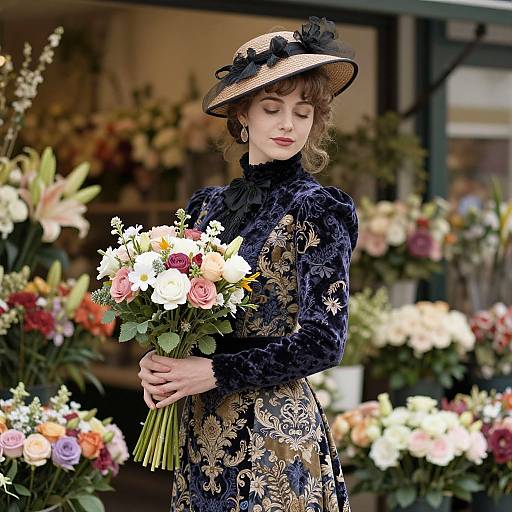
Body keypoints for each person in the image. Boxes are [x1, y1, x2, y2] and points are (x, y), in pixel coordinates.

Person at [138, 16, 359, 511]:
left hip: (274, 433)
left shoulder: (319, 208)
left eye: (303, 113)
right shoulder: (204, 207)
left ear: (316, 122)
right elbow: (173, 312)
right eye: (272, 108)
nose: (287, 124)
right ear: (242, 117)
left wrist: (211, 372)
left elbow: (325, 340)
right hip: (200, 430)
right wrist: (159, 361)